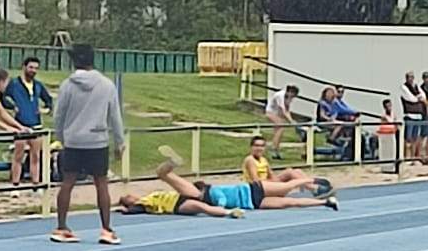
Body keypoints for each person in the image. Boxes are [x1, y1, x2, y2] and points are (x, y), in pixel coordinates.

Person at [50, 43, 127, 245]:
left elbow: (58, 115)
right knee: (101, 184)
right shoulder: (107, 85)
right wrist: (120, 142)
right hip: (97, 139)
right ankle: (106, 229)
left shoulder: (67, 85)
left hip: (73, 139)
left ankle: (61, 226)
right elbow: (115, 116)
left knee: (67, 182)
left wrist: (62, 137)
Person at [142, 150, 338, 213]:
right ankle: (325, 202)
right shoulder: (198, 201)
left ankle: (316, 181)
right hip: (253, 202)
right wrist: (229, 211)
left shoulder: (206, 193)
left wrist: (224, 207)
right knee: (290, 202)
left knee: (290, 184)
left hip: (251, 189)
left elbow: (218, 200)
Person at [2, 56, 54, 185]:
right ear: (24, 67)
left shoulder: (38, 85)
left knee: (35, 156)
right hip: (20, 124)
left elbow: (48, 99)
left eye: (36, 68)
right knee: (18, 156)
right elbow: (3, 97)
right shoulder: (14, 84)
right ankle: (15, 184)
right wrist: (12, 107)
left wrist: (45, 109)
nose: (33, 70)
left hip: (36, 124)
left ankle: (35, 184)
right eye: (31, 67)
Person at [241, 134, 333, 197]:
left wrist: (278, 182)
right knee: (289, 172)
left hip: (267, 184)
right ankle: (314, 188)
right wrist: (276, 183)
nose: (259, 148)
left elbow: (271, 174)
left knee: (296, 171)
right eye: (256, 146)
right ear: (251, 147)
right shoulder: (250, 160)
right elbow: (256, 181)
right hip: (258, 189)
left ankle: (309, 184)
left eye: (261, 146)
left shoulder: (263, 159)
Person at [265, 84, 301, 156]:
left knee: (278, 130)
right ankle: (274, 148)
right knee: (281, 127)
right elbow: (284, 110)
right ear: (290, 92)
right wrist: (291, 121)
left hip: (278, 114)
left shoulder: (288, 98)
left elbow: (287, 110)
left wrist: (291, 120)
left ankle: (276, 149)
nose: (292, 97)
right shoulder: (280, 95)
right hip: (270, 112)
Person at [401, 72, 428, 163]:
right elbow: (410, 98)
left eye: (412, 77)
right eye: (409, 77)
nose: (411, 79)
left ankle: (413, 158)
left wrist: (419, 97)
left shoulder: (416, 86)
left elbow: (423, 95)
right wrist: (418, 99)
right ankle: (406, 157)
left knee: (415, 138)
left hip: (418, 116)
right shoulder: (404, 87)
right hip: (409, 115)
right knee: (407, 138)